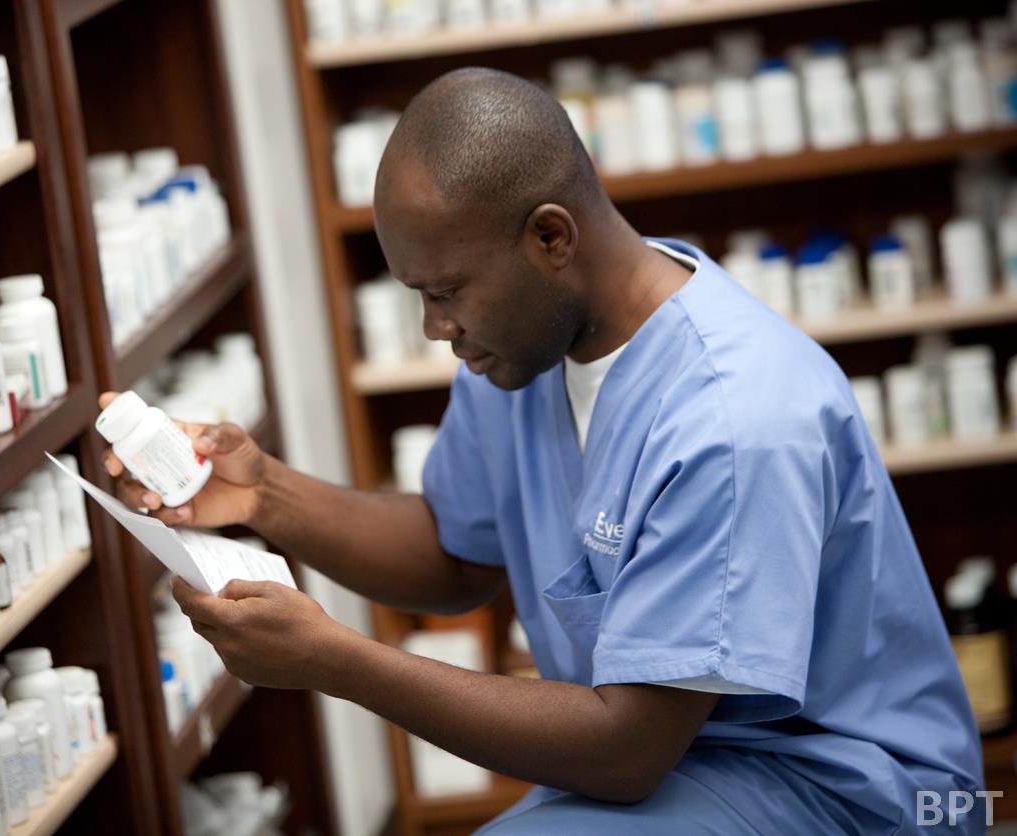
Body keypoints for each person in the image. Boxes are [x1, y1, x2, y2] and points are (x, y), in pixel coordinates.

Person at [103, 68, 985, 833]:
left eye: (446, 292)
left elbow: (627, 748)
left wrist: (339, 662)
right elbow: (455, 555)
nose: (433, 329)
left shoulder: (735, 419)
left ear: (552, 238)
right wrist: (262, 493)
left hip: (849, 792)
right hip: (688, 762)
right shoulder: (520, 358)